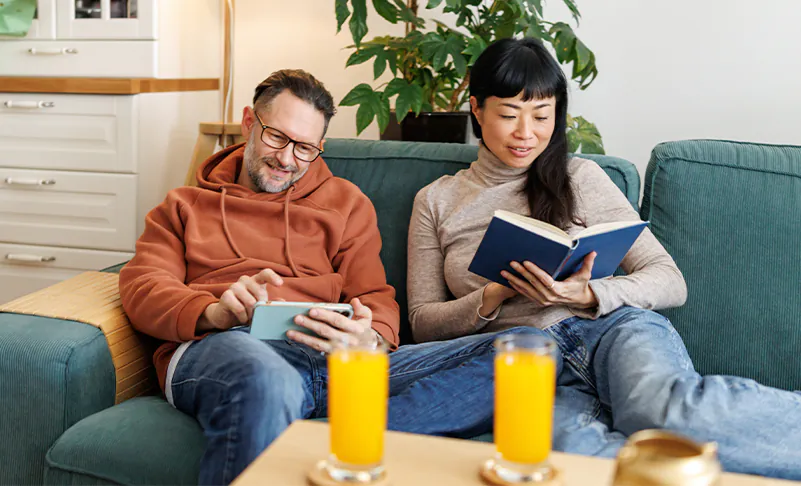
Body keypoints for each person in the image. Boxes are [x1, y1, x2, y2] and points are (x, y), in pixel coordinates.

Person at [407, 37, 801, 480]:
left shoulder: (581, 176)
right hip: (530, 363)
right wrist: (493, 294)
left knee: (666, 414)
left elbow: (670, 280)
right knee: (567, 459)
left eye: (541, 116)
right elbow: (423, 323)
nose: (526, 133)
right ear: (476, 110)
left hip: (610, 331)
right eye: (508, 115)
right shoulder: (436, 200)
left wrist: (590, 293)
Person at [119, 69, 526, 485]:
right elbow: (141, 285)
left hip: (334, 364)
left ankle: (331, 434)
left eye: (305, 148)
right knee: (267, 377)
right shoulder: (185, 205)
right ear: (248, 122)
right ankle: (320, 426)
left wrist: (370, 338)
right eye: (276, 137)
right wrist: (214, 312)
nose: (286, 158)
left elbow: (374, 297)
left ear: (320, 147)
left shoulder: (347, 204)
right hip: (225, 348)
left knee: (526, 350)